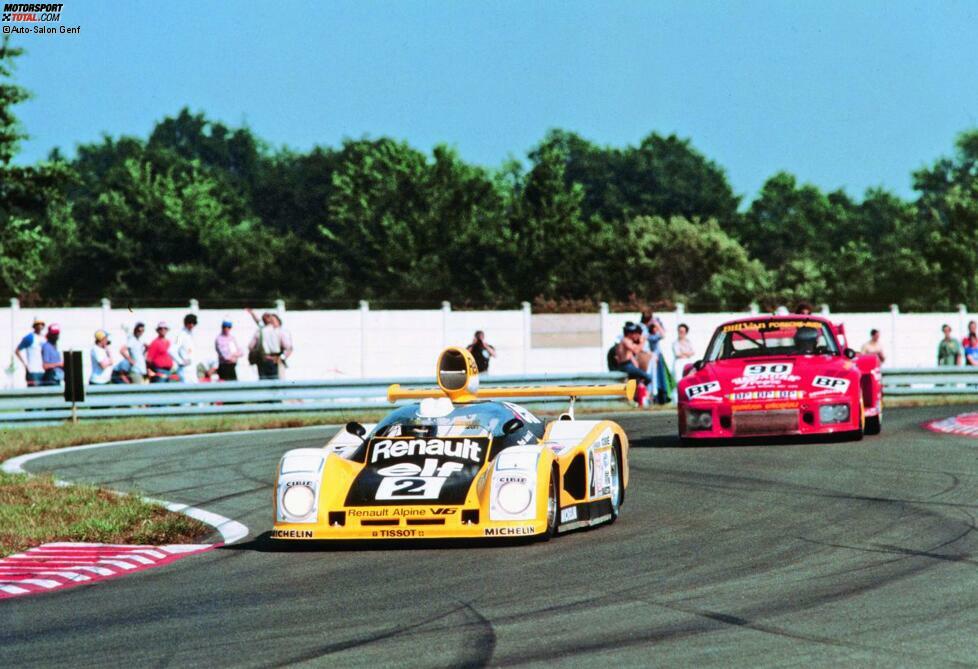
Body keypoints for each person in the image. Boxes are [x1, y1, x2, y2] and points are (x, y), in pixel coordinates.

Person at [615, 323, 654, 406]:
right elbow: (635, 351)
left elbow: (630, 355)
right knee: (648, 377)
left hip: (628, 365)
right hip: (625, 366)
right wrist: (642, 342)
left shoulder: (626, 341)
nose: (635, 335)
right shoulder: (625, 340)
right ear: (629, 333)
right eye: (633, 333)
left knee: (636, 381)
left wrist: (635, 365)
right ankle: (637, 396)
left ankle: (637, 397)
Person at [247, 308, 292, 380]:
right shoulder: (279, 332)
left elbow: (250, 346)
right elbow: (289, 348)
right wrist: (282, 357)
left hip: (263, 360)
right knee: (276, 385)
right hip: (276, 360)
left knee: (264, 385)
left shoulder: (259, 332)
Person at [15, 317, 46, 386]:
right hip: (33, 370)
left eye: (41, 324)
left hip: (43, 370)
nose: (40, 326)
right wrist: (25, 364)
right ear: (34, 326)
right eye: (38, 324)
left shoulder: (45, 338)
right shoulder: (30, 337)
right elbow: (17, 351)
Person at [172, 313, 198, 384]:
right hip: (185, 371)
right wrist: (180, 362)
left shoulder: (190, 335)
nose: (191, 325)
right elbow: (171, 350)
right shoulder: (181, 335)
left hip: (192, 370)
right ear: (185, 323)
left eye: (193, 323)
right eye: (189, 323)